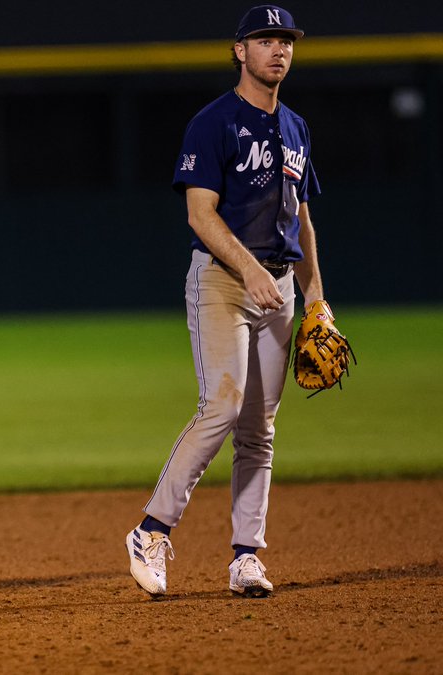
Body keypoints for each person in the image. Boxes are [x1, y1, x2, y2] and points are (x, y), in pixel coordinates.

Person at [127, 5, 329, 599]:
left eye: (286, 41)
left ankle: (246, 557)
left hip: (283, 287)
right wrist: (249, 270)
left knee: (259, 430)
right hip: (222, 281)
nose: (279, 50)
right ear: (240, 50)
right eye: (265, 40)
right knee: (223, 404)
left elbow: (304, 219)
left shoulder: (296, 128)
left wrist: (316, 296)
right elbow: (199, 213)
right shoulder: (212, 123)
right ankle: (150, 530)